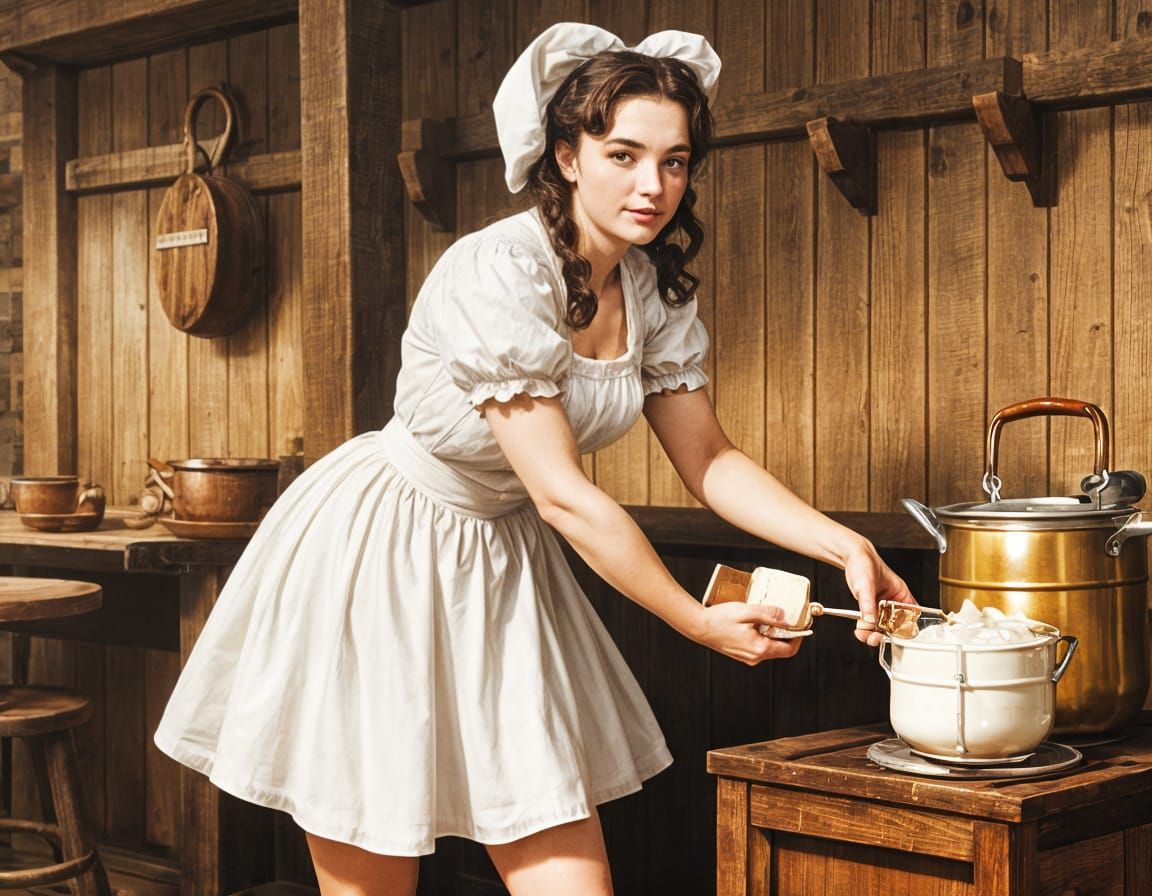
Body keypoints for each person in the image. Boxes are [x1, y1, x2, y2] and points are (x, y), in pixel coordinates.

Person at [155, 21, 914, 896]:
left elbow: (709, 459)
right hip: (382, 557)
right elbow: (562, 496)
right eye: (623, 154)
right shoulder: (496, 274)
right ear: (565, 155)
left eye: (674, 161)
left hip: (500, 561)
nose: (652, 184)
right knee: (374, 879)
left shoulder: (648, 291)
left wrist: (845, 548)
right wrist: (693, 621)